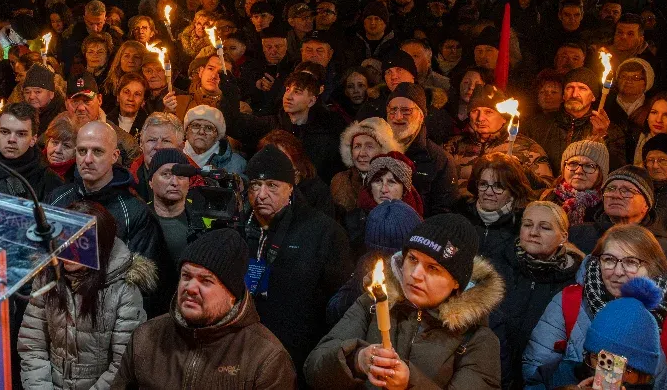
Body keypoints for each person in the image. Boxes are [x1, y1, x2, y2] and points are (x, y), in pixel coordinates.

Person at [305, 214, 503, 390]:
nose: (415, 275)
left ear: (456, 282)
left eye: (433, 268)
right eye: (413, 259)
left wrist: (411, 383)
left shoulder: (477, 339)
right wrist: (357, 360)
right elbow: (314, 369)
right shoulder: (372, 304)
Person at [523, 224, 667, 390]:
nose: (618, 272)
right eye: (609, 259)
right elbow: (534, 373)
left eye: (631, 262)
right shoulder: (568, 302)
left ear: (653, 267)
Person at [112, 228, 297, 389]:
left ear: (232, 294)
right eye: (186, 276)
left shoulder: (266, 358)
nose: (190, 288)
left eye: (206, 281)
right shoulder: (146, 336)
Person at [241, 144, 352, 383]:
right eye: (255, 186)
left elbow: (338, 302)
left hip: (298, 351)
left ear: (290, 188)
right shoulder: (237, 228)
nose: (261, 194)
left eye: (272, 186)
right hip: (244, 347)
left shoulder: (323, 232)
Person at [18, 200, 154, 390]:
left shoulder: (124, 288)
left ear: (100, 246)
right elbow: (32, 344)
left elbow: (122, 364)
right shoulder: (47, 276)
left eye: (80, 243)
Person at [487, 201, 584, 390]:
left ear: (563, 236)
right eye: (527, 224)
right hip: (492, 374)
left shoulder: (574, 283)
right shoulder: (496, 267)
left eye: (545, 227)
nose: (533, 232)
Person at [47, 121, 164, 271]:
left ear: (115, 156)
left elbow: (142, 280)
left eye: (97, 152)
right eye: (82, 151)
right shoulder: (58, 198)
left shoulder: (134, 212)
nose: (87, 159)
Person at [219, 70, 349, 182]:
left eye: (297, 92)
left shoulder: (325, 134)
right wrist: (230, 95)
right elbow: (233, 123)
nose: (289, 96)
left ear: (311, 101)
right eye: (287, 90)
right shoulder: (270, 125)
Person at [443, 84, 554, 190]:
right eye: (475, 111)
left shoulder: (528, 149)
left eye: (488, 112)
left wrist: (522, 171)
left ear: (503, 118)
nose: (480, 118)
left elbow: (547, 188)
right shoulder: (453, 145)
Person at [525, 66, 627, 174]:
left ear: (593, 96)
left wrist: (602, 138)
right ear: (563, 95)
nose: (574, 94)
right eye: (569, 88)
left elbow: (616, 170)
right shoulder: (537, 125)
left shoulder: (611, 131)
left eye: (582, 88)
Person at [0, 102, 64, 199]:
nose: (11, 139)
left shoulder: (52, 183)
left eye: (21, 134)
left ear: (33, 139)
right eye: (5, 132)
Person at [387, 82, 459, 215]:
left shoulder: (440, 160)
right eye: (393, 110)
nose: (397, 117)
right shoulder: (378, 150)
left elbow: (443, 213)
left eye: (406, 111)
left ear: (421, 116)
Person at [455, 152, 535, 260]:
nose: (488, 192)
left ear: (512, 190)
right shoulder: (461, 213)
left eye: (498, 186)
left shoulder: (522, 224)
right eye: (483, 184)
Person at [145, 147, 209, 265]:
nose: (175, 182)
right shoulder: (138, 217)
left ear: (189, 182)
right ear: (150, 182)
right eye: (166, 174)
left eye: (181, 176)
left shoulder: (205, 218)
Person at [543, 140, 611, 225]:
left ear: (601, 174)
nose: (579, 171)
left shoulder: (607, 210)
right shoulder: (546, 199)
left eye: (589, 166)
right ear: (563, 168)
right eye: (573, 163)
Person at [181, 104, 246, 174]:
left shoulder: (236, 163)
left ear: (217, 136)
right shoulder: (173, 154)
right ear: (186, 132)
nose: (201, 132)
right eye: (196, 126)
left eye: (209, 128)